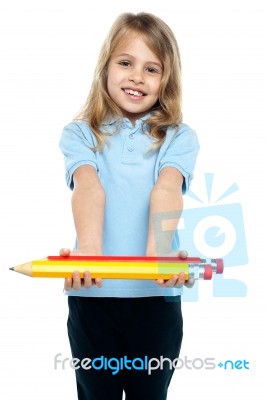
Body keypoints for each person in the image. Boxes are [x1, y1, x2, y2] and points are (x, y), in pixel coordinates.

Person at [59, 11, 199, 400]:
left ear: (165, 80)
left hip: (156, 302)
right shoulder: (79, 133)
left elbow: (167, 189)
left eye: (151, 68)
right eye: (125, 63)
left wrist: (161, 249)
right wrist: (88, 249)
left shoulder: (179, 137)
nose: (137, 76)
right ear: (106, 67)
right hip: (93, 299)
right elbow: (88, 186)